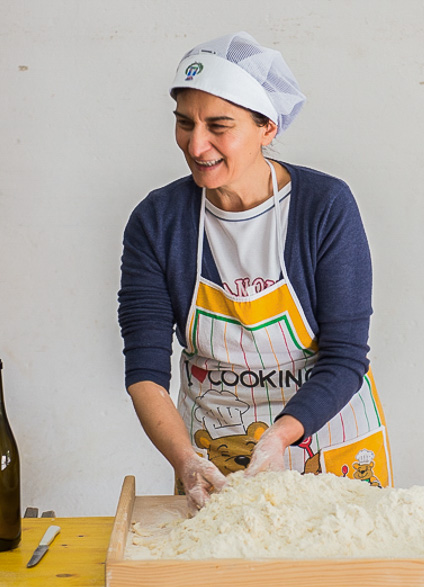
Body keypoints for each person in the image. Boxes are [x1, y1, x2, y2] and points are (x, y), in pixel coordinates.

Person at [118, 32, 392, 509]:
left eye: (218, 126)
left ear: (268, 127)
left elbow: (346, 357)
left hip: (325, 438)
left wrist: (280, 437)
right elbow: (144, 369)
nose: (196, 143)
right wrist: (186, 460)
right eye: (185, 123)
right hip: (212, 451)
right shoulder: (157, 222)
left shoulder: (324, 206)